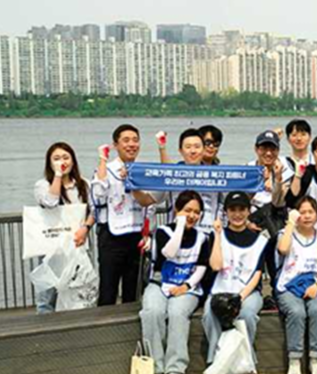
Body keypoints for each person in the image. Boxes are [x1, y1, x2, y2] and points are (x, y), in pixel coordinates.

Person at [139, 190, 212, 374]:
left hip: (188, 286)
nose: (192, 216)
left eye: (197, 212)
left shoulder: (202, 238)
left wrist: (187, 286)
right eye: (187, 210)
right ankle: (155, 369)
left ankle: (175, 370)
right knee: (152, 312)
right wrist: (179, 226)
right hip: (159, 283)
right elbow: (169, 252)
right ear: (177, 210)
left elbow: (202, 267)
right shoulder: (163, 232)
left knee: (177, 313)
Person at [203, 192, 270, 374]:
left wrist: (240, 297)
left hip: (248, 292)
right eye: (233, 210)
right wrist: (216, 235)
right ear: (226, 212)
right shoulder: (217, 235)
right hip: (220, 289)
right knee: (209, 314)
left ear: (249, 211)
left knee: (247, 314)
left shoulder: (260, 239)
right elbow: (215, 266)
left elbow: (258, 273)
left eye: (242, 209)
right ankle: (217, 364)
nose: (237, 214)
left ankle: (245, 364)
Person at [274, 196, 317, 374]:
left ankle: (316, 359)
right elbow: (283, 250)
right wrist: (291, 222)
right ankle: (295, 360)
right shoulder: (286, 232)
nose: (306, 216)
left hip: (315, 283)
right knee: (297, 312)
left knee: (316, 310)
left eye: (310, 212)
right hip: (288, 285)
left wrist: (316, 286)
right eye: (302, 212)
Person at [33, 142, 94, 313]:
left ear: (73, 161)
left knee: (79, 292)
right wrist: (58, 175)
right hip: (52, 249)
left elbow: (94, 210)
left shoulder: (84, 185)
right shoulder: (42, 185)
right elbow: (50, 203)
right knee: (47, 297)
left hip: (78, 246)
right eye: (57, 158)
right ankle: (44, 335)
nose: (62, 161)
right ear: (49, 163)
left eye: (66, 157)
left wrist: (86, 228)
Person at [92, 124, 146, 306]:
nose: (131, 144)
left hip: (137, 235)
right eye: (126, 140)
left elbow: (152, 203)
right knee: (108, 289)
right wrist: (102, 159)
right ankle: (104, 331)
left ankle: (130, 331)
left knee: (133, 290)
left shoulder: (143, 171)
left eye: (135, 140)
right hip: (111, 235)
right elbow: (98, 196)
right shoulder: (106, 168)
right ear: (115, 145)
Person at [139, 128, 223, 233]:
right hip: (177, 235)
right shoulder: (173, 175)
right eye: (188, 147)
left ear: (203, 149)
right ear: (180, 150)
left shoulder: (218, 175)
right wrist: (133, 184)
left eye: (197, 147)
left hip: (207, 235)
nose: (193, 151)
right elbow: (146, 200)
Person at [247, 130, 288, 213]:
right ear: (256, 149)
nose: (268, 153)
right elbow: (243, 200)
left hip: (276, 216)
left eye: (273, 149)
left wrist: (278, 179)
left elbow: (279, 203)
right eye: (264, 149)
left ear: (278, 150)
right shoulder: (249, 169)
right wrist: (260, 182)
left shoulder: (285, 169)